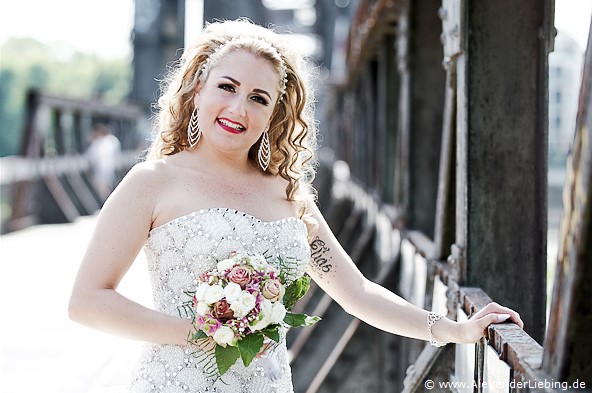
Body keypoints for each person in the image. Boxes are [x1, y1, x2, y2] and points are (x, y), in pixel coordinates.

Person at [69, 19, 523, 393]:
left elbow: (358, 294)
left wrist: (452, 329)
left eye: (258, 99)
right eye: (227, 87)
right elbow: (87, 301)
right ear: (197, 87)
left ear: (274, 116)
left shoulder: (287, 196)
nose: (238, 109)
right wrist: (200, 333)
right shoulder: (152, 182)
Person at [86, 123, 122, 201]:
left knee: (103, 188)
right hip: (112, 167)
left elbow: (92, 157)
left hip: (101, 168)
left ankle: (106, 203)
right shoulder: (113, 140)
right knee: (108, 186)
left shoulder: (100, 142)